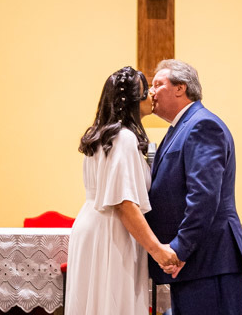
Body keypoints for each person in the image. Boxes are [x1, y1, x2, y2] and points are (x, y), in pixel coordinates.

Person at [65, 66, 181, 315]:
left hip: (93, 225)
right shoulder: (124, 138)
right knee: (114, 302)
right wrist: (157, 250)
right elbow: (124, 203)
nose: (152, 95)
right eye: (146, 91)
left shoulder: (103, 135)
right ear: (131, 100)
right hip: (113, 230)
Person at [145, 59, 242, 315]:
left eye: (158, 84)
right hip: (198, 261)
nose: (151, 93)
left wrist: (179, 249)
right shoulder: (179, 128)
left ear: (180, 88)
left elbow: (203, 196)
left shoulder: (202, 125)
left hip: (208, 258)